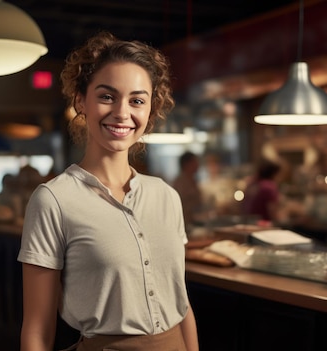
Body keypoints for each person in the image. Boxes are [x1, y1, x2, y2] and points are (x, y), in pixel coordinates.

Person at [17, 31, 199, 351]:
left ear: (150, 111)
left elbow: (181, 304)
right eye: (106, 96)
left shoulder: (166, 196)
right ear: (80, 101)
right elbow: (37, 328)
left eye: (137, 100)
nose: (122, 112)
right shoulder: (53, 200)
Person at [172, 151, 203, 227]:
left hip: (194, 222)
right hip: (184, 224)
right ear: (186, 164)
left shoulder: (192, 180)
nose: (197, 165)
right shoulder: (181, 182)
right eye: (194, 162)